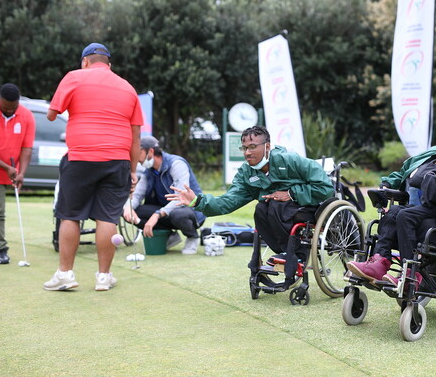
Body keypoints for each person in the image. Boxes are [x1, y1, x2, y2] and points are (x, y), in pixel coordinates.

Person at [44, 43, 143, 291]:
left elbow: (51, 115)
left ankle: (65, 274)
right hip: (117, 160)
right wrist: (132, 171)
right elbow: (136, 137)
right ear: (109, 65)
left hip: (80, 157)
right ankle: (103, 277)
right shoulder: (128, 88)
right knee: (107, 216)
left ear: (85, 61)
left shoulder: (74, 77)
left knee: (70, 214)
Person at [347, 120, 436, 286]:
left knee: (404, 214)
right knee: (393, 212)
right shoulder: (428, 157)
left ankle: (411, 273)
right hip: (415, 212)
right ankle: (379, 263)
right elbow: (403, 173)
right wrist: (388, 184)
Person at [167, 125, 334, 267]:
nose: (247, 152)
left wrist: (291, 193)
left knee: (275, 205)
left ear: (267, 146)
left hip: (308, 207)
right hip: (278, 212)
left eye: (253, 147)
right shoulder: (246, 173)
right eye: (244, 148)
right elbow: (228, 201)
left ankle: (297, 255)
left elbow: (326, 188)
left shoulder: (290, 160)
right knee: (261, 208)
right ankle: (285, 252)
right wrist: (197, 201)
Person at [123, 136, 206, 254]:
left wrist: (157, 215)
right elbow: (137, 195)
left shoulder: (176, 164)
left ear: (150, 151)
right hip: (165, 211)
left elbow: (181, 198)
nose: (136, 157)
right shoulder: (148, 171)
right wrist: (128, 208)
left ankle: (192, 237)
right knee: (130, 211)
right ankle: (170, 235)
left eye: (139, 152)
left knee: (178, 214)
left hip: (190, 210)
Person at [0, 83, 35, 265]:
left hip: (10, 169)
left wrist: (21, 173)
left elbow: (27, 148)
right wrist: (6, 167)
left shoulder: (26, 115)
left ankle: (0, 250)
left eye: (13, 108)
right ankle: (1, 249)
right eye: (6, 107)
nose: (9, 111)